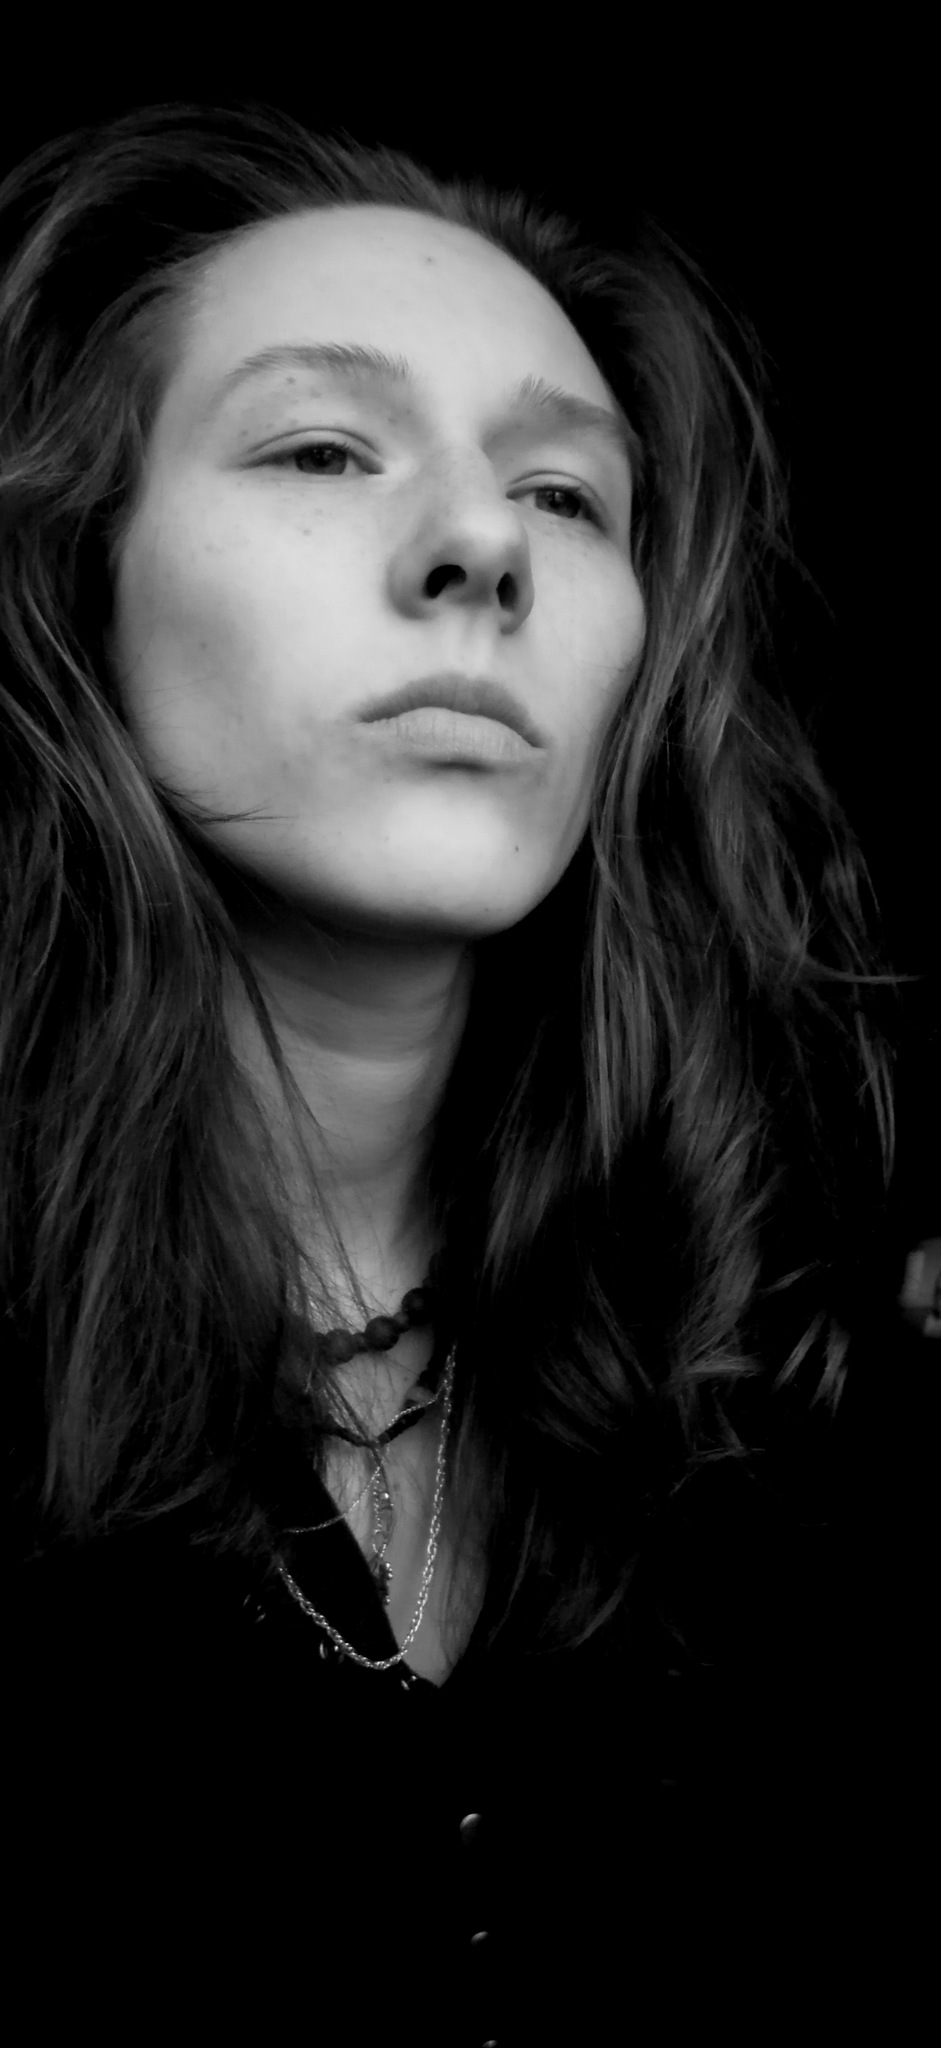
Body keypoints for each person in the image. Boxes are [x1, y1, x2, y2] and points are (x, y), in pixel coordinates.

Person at [1, 101, 929, 2045]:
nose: (482, 546)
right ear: (78, 569)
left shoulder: (788, 1389)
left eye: (566, 495)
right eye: (322, 449)